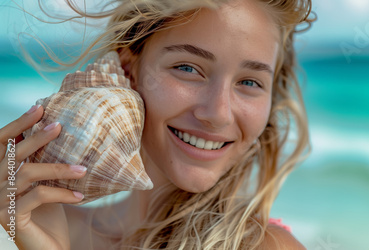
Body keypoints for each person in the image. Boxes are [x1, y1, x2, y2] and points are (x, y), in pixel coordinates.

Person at [0, 0, 314, 249]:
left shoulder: (269, 247)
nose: (218, 113)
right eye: (188, 68)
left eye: (249, 82)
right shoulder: (37, 225)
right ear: (129, 69)